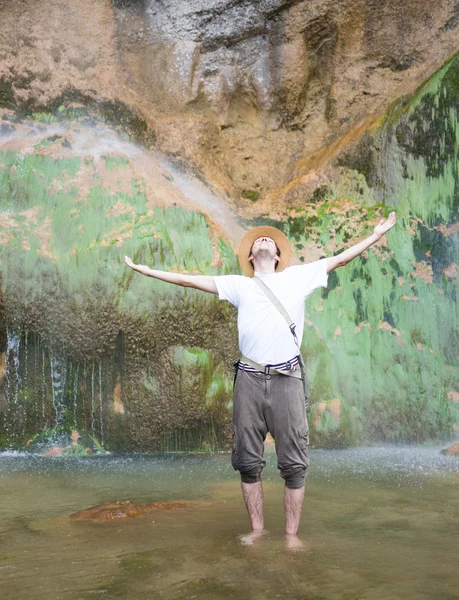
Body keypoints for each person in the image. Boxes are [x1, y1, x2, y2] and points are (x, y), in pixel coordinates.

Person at [124, 212, 397, 545]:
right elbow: (188, 280)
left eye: (269, 241)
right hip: (249, 380)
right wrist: (146, 270)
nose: (264, 241)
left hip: (288, 379)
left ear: (278, 257)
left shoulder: (298, 277)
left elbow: (340, 259)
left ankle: (291, 536)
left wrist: (376, 235)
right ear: (252, 258)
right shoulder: (240, 285)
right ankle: (257, 530)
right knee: (247, 462)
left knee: (295, 465)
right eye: (258, 242)